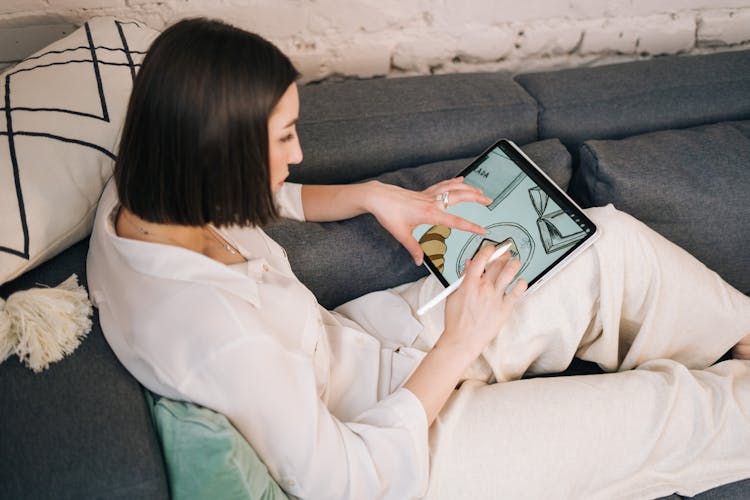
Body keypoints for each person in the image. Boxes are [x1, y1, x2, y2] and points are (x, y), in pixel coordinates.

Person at [87, 17, 750, 500]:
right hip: (395, 455)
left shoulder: (142, 192)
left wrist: (372, 195)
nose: (297, 155)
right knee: (658, 414)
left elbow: (268, 195)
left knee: (603, 243)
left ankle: (742, 331)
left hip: (372, 349)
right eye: (285, 136)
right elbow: (339, 483)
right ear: (215, 156)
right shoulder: (214, 334)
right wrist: (460, 345)